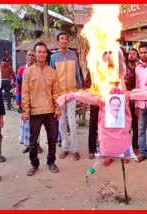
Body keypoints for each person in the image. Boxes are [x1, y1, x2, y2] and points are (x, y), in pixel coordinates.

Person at [22, 42, 61, 176]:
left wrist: (57, 109)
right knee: (33, 142)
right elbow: (25, 93)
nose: (41, 54)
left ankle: (51, 162)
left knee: (52, 139)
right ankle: (34, 164)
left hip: (49, 111)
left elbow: (56, 93)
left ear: (46, 54)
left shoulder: (52, 72)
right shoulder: (28, 72)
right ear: (35, 53)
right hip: (35, 112)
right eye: (39, 52)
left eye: (44, 52)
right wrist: (25, 111)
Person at [50, 31, 82, 161]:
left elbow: (78, 73)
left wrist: (80, 92)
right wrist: (53, 95)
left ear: (68, 41)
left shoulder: (73, 55)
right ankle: (65, 149)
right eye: (61, 38)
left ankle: (75, 150)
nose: (63, 40)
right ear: (58, 41)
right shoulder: (54, 57)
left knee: (73, 123)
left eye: (65, 38)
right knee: (62, 123)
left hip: (72, 93)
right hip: (59, 95)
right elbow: (51, 76)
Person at [16, 49, 43, 154]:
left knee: (37, 123)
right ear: (26, 56)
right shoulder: (21, 70)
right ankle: (28, 145)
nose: (31, 57)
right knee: (26, 123)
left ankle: (37, 144)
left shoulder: (38, 69)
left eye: (33, 55)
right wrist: (19, 103)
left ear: (35, 56)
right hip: (25, 101)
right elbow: (19, 86)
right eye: (29, 55)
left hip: (36, 101)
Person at [124, 48, 139, 153]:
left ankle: (135, 146)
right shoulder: (123, 68)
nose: (131, 55)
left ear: (137, 56)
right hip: (125, 101)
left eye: (134, 53)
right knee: (126, 126)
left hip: (136, 100)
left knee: (136, 125)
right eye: (130, 53)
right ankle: (126, 146)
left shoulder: (139, 69)